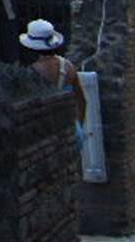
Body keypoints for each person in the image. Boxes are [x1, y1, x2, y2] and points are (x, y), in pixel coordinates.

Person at [20, 18, 87, 146]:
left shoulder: (33, 71)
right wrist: (78, 124)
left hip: (46, 134)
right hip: (71, 128)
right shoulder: (68, 67)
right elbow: (82, 100)